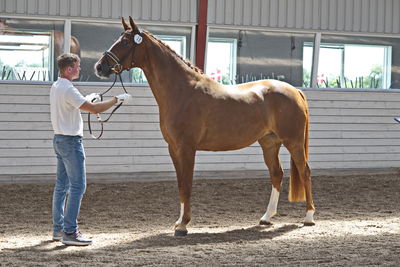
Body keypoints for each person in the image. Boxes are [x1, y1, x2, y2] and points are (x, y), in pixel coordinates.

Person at [50, 53, 131, 246]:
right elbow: (94, 110)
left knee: (61, 186)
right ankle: (70, 232)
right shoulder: (68, 89)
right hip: (71, 142)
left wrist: (88, 98)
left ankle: (58, 229)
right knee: (78, 186)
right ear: (69, 69)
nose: (79, 69)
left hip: (59, 139)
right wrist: (116, 100)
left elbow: (74, 105)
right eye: (77, 66)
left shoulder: (57, 86)